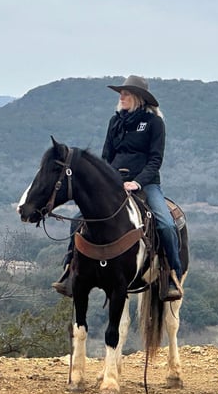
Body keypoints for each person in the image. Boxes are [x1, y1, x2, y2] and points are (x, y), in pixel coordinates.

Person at [52, 75, 184, 301]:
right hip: (113, 183)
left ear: (138, 98)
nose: (121, 97)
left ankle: (172, 274)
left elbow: (155, 159)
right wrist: (108, 181)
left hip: (146, 183)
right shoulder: (115, 122)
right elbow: (106, 157)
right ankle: (69, 270)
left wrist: (137, 182)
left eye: (126, 93)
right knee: (77, 219)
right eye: (121, 93)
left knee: (166, 223)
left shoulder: (154, 123)